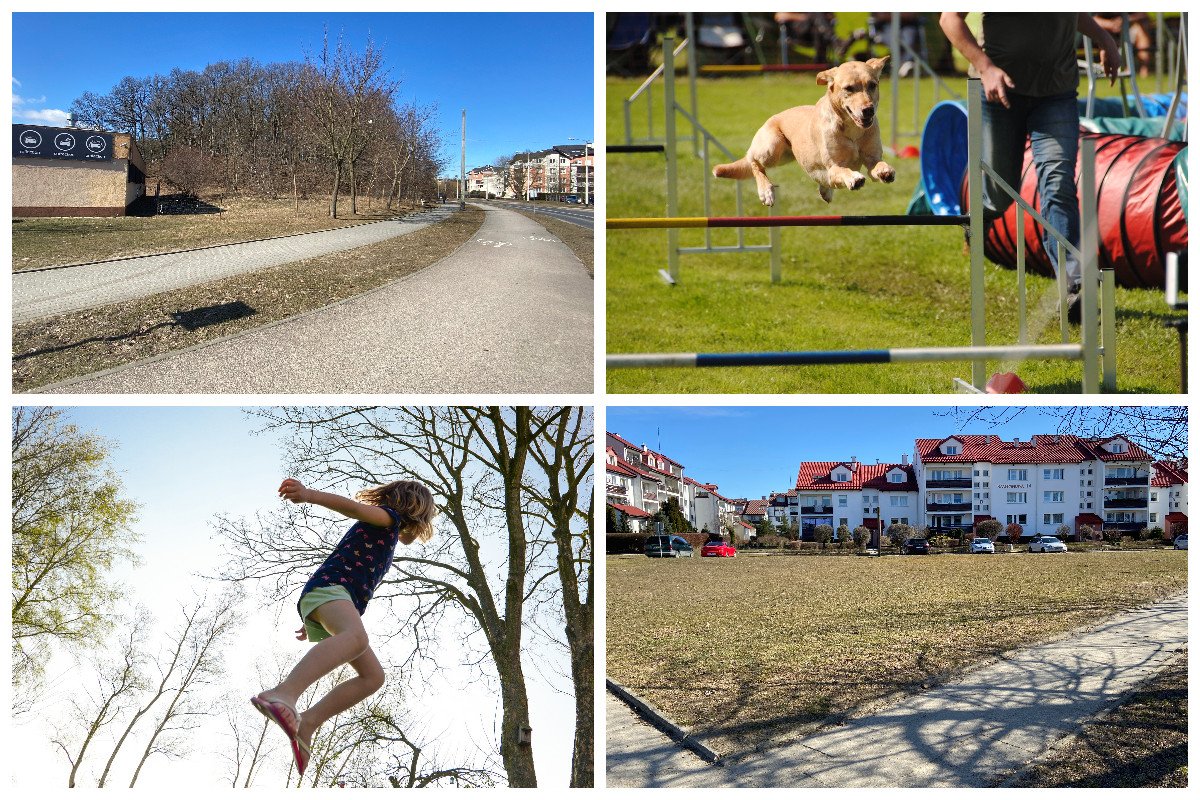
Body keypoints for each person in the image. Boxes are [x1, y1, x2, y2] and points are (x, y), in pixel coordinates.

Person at [939, 13, 1120, 321]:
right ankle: (974, 224)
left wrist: (1103, 38)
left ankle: (1074, 287)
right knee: (998, 196)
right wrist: (985, 67)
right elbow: (949, 18)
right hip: (996, 91)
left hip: (1056, 93)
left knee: (1058, 182)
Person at [251, 478, 436, 776]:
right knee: (356, 638)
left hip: (332, 598)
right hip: (331, 590)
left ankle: (308, 723)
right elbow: (351, 507)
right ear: (415, 510)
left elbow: (404, 539)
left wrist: (315, 618)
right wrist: (309, 494)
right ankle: (283, 693)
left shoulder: (388, 531)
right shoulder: (389, 517)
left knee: (373, 676)